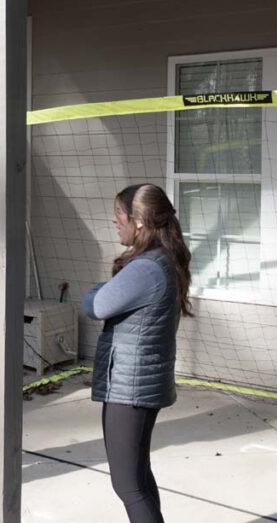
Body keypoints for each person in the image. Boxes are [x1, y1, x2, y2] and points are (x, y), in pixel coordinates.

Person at [81, 183, 193, 523]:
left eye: (119, 215)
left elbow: (96, 304)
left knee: (128, 485)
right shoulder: (160, 259)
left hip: (130, 387)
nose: (115, 222)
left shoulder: (145, 267)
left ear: (139, 221)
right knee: (138, 479)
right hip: (138, 382)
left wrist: (100, 288)